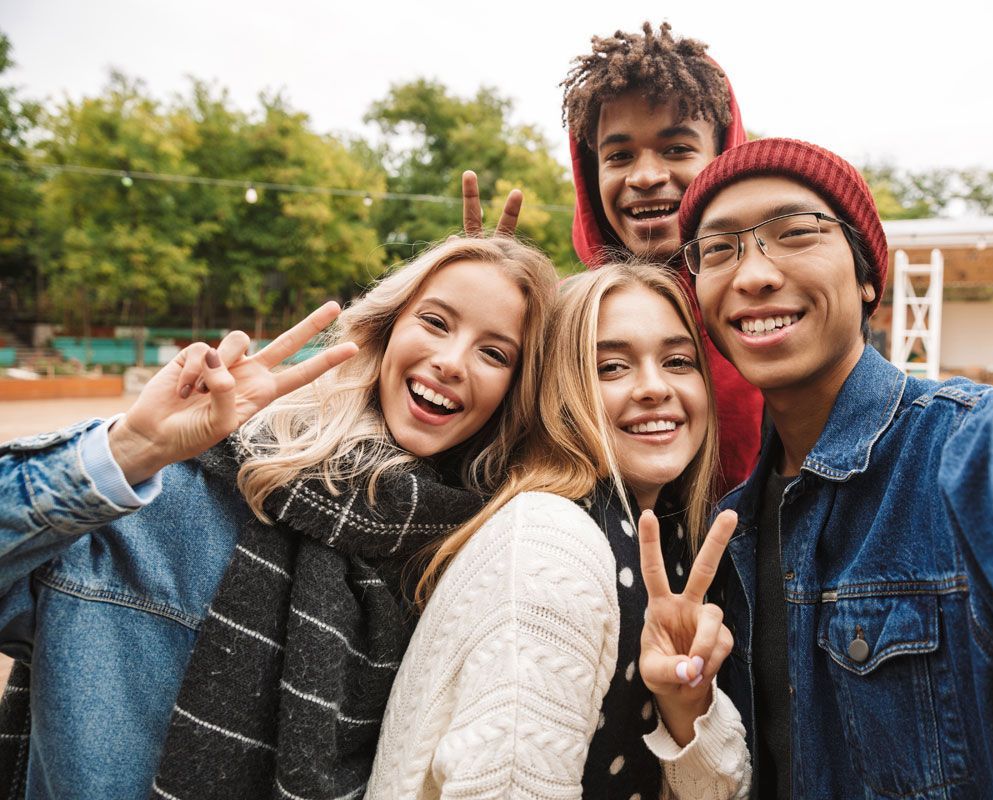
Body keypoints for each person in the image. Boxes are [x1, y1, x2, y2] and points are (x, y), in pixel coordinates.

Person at [668, 136, 993, 798]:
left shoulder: (962, 455)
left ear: (867, 277)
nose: (753, 274)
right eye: (719, 249)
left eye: (794, 233)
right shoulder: (732, 523)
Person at [0, 236, 557, 799]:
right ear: (386, 330)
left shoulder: (474, 562)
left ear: (516, 392)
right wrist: (130, 450)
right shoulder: (180, 492)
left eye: (495, 352)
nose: (451, 361)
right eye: (436, 322)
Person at [366, 263, 751, 799]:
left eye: (678, 361)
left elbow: (715, 793)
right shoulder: (550, 547)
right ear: (558, 391)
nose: (654, 388)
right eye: (612, 367)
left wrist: (685, 704)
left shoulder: (666, 540)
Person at [560, 22, 763, 493]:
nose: (647, 175)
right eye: (619, 156)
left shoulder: (769, 308)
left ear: (723, 157)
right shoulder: (560, 322)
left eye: (676, 149)